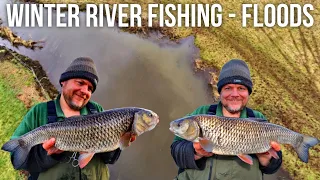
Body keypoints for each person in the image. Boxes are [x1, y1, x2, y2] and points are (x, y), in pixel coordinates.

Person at [9, 57, 128, 180]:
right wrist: (45, 154)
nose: (84, 91)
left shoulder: (97, 110)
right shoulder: (39, 111)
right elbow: (17, 161)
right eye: (80, 83)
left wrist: (117, 140)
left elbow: (109, 159)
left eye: (90, 88)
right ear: (63, 82)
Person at [171, 59, 282, 180]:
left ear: (248, 93)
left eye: (241, 88)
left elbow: (273, 167)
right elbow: (176, 152)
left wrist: (265, 158)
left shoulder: (258, 118)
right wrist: (195, 152)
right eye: (228, 88)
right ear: (220, 92)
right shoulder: (202, 113)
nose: (235, 94)